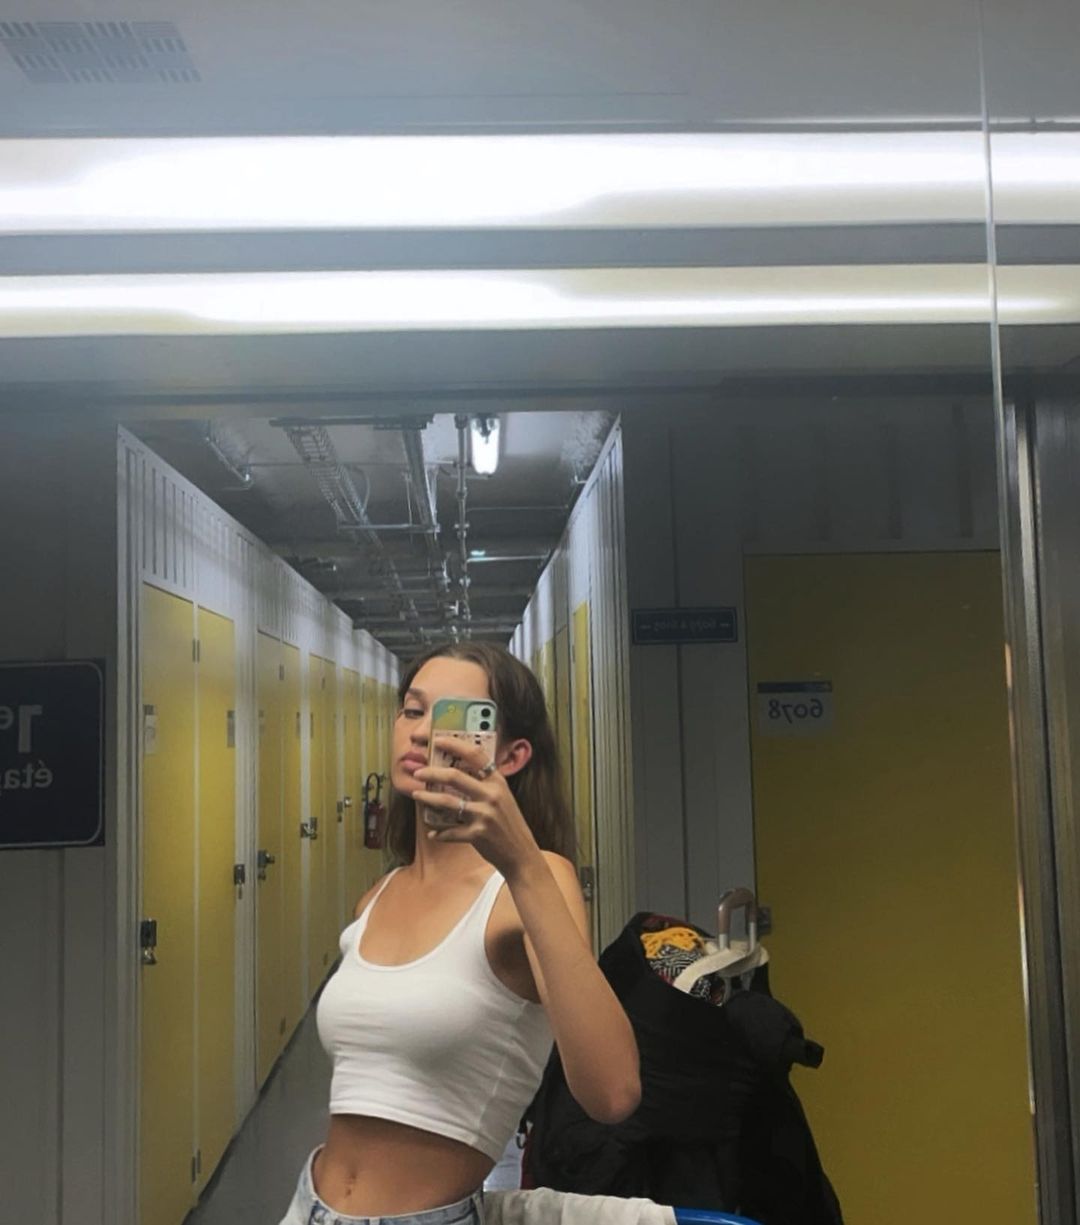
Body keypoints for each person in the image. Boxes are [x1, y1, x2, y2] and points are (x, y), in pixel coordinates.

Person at [279, 641, 642, 1225]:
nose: (423, 732)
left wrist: (522, 862)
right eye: (413, 709)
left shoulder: (533, 881)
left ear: (512, 755)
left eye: (455, 717)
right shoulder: (379, 896)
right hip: (307, 1206)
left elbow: (613, 1092)